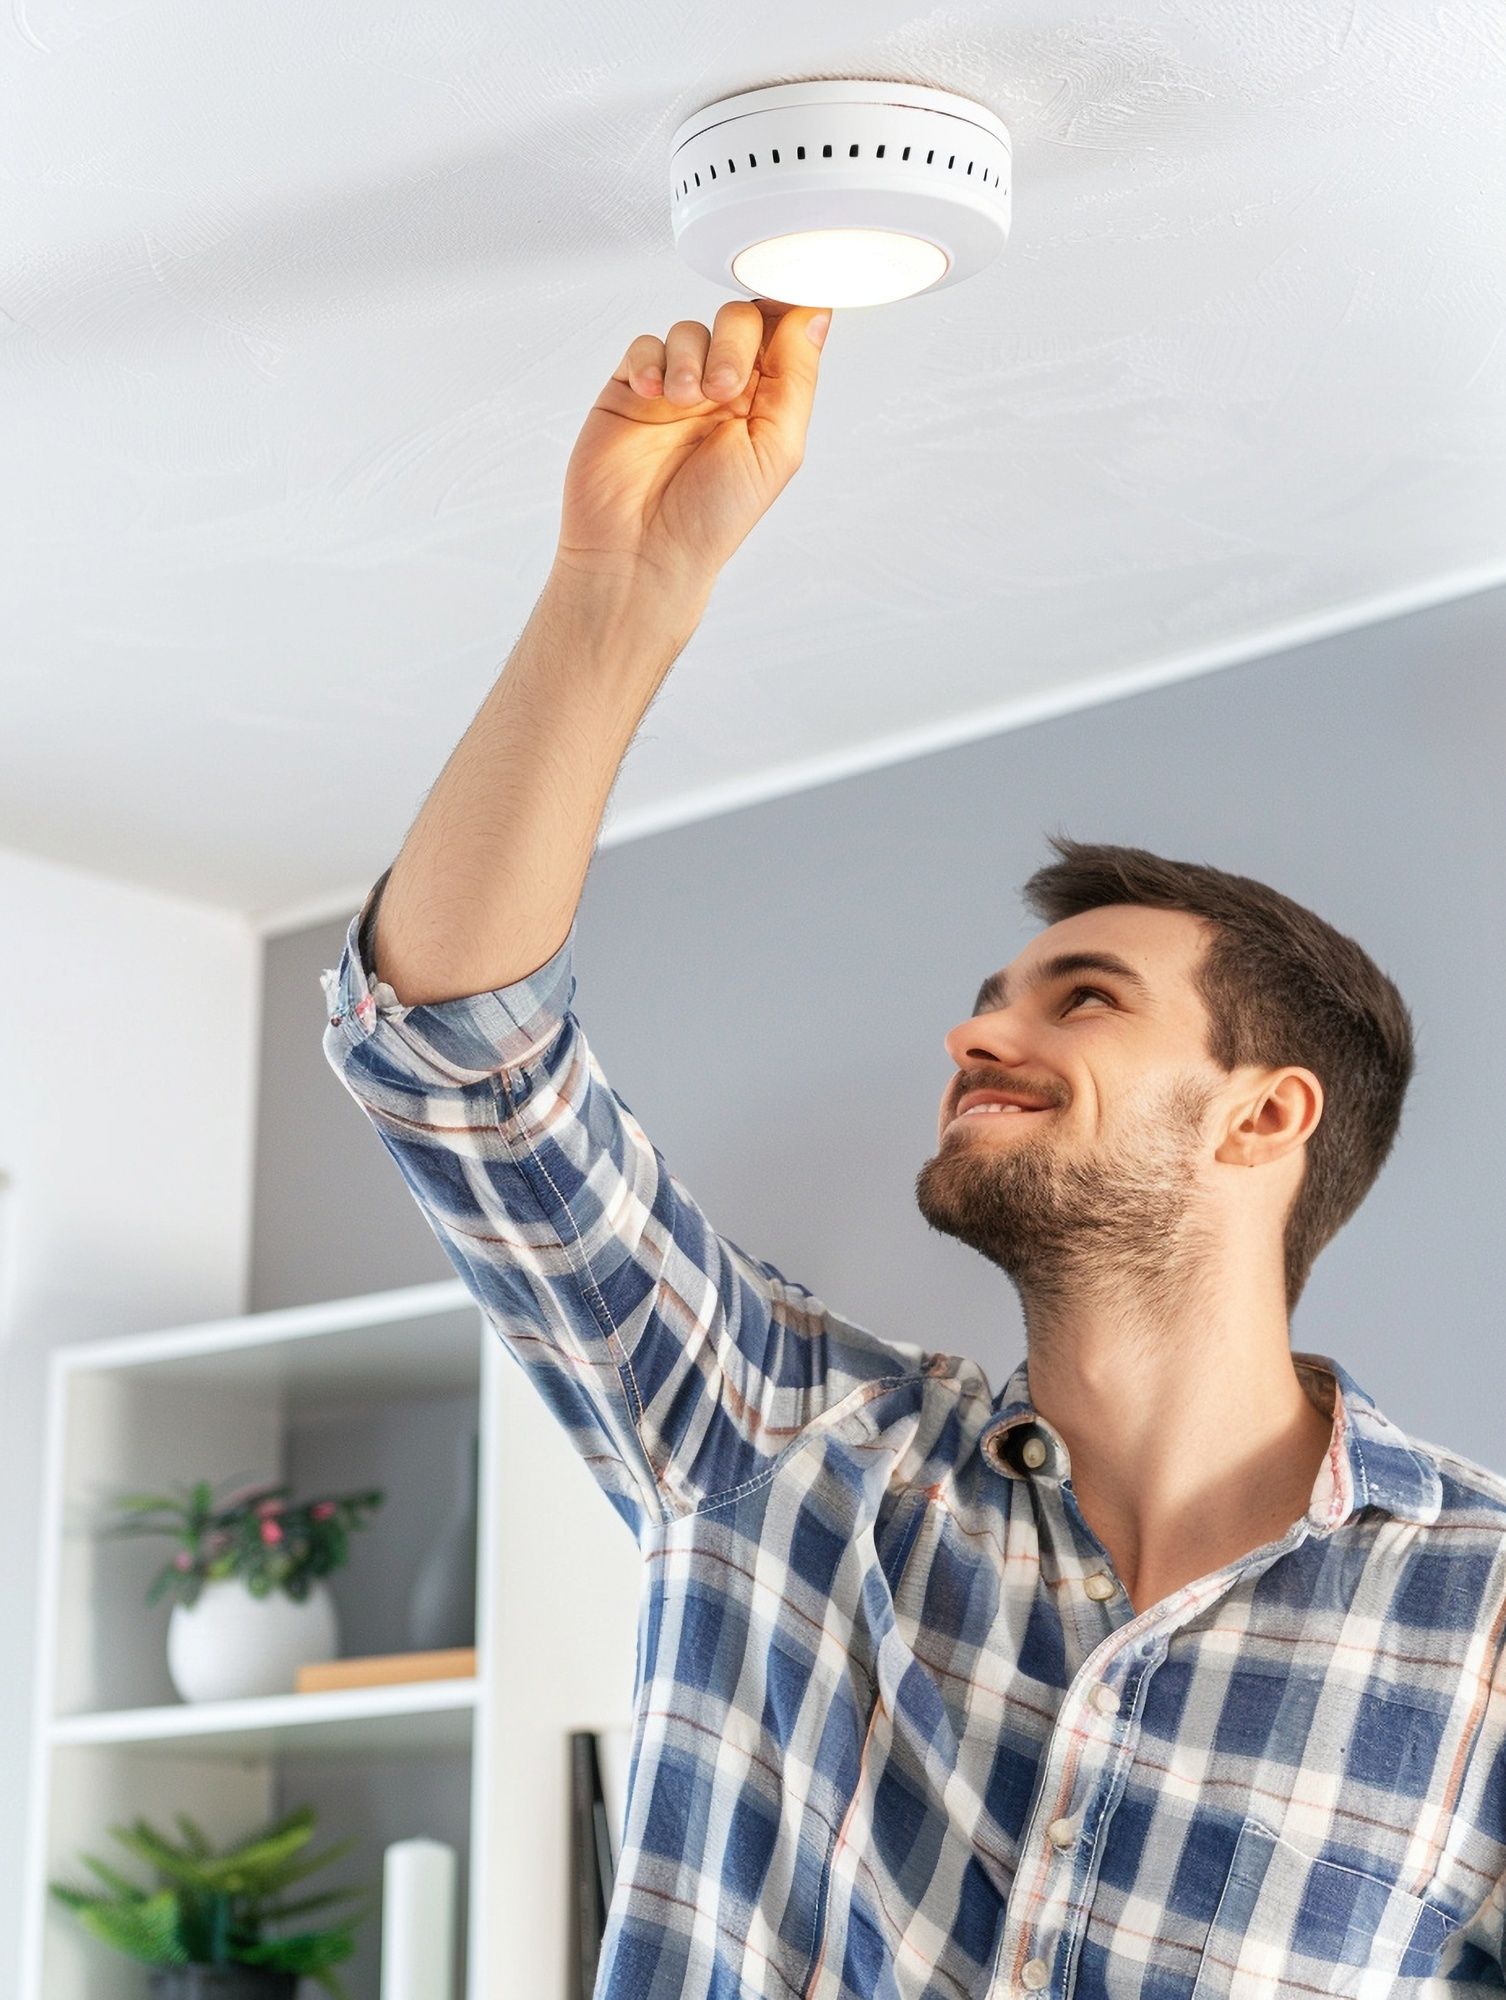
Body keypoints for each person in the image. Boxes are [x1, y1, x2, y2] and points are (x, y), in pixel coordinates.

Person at [320, 299, 1506, 1996]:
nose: (972, 1033)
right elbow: (449, 1053)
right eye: (982, 1000)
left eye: (1080, 998)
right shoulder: (775, 1443)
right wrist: (620, 588)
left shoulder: (1479, 1621)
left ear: (1264, 1114)